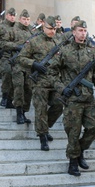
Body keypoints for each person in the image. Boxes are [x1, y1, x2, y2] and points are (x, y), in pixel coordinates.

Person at [51, 20, 95, 176]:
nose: (83, 33)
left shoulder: (91, 51)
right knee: (73, 131)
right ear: (73, 32)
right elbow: (51, 72)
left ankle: (80, 150)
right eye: (80, 30)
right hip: (73, 99)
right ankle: (73, 162)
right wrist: (62, 89)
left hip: (88, 98)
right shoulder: (65, 51)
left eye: (85, 30)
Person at [17, 16, 64, 151]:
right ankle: (42, 135)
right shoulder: (34, 41)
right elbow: (21, 58)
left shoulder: (58, 41)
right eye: (50, 29)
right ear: (43, 26)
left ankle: (45, 127)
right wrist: (34, 64)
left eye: (55, 29)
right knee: (41, 109)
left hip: (55, 81)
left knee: (59, 105)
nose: (53, 31)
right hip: (40, 82)